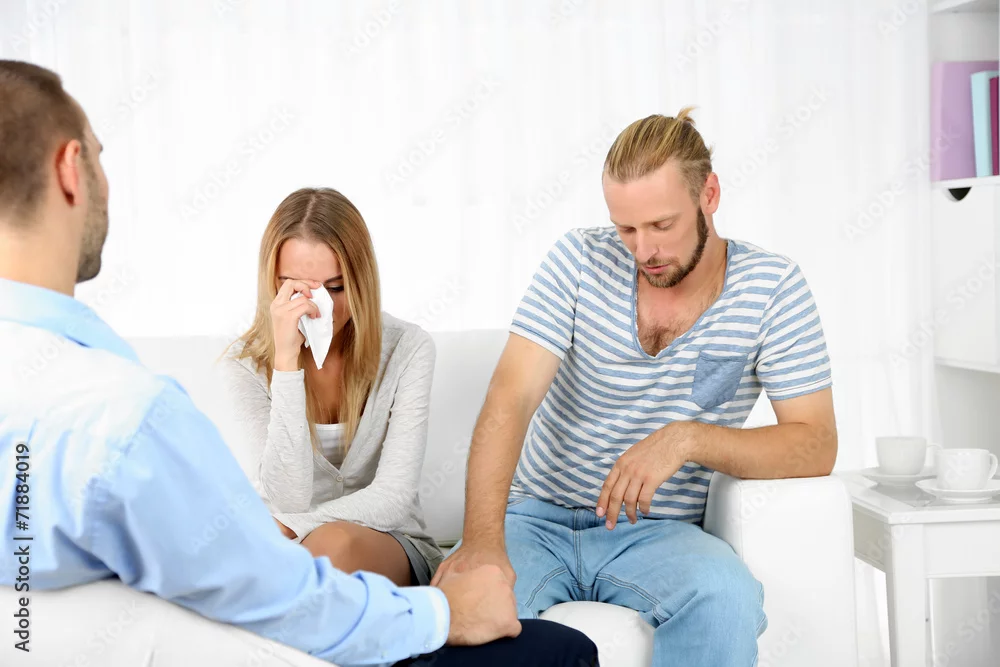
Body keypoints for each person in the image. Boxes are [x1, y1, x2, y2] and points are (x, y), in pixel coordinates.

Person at [0, 59, 598, 667]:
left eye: (335, 288)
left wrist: (285, 529)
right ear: (71, 170)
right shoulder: (128, 415)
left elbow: (293, 543)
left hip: (342, 558)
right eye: (101, 157)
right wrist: (444, 615)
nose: (318, 306)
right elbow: (262, 580)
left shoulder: (98, 405)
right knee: (565, 652)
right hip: (300, 591)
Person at [433, 108, 838, 666]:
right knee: (464, 617)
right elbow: (511, 398)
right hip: (536, 519)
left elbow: (816, 443)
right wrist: (482, 543)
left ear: (709, 194)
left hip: (657, 533)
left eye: (662, 226)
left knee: (726, 597)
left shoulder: (773, 288)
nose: (644, 250)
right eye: (626, 229)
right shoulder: (578, 259)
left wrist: (687, 438)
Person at [218, 187, 443, 588]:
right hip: (291, 555)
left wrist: (292, 525)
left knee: (334, 545)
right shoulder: (245, 365)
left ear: (360, 281)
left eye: (335, 288)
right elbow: (287, 497)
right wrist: (287, 364)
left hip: (388, 544)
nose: (317, 308)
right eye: (297, 289)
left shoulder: (407, 348)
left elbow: (393, 498)